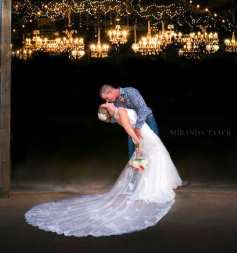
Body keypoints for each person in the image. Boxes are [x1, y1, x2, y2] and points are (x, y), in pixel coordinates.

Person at [24, 102, 183, 237]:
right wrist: (138, 143)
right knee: (157, 157)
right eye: (106, 104)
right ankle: (157, 188)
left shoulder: (116, 115)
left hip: (142, 134)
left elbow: (130, 126)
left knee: (156, 159)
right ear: (109, 110)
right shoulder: (120, 111)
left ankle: (160, 185)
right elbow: (129, 129)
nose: (108, 103)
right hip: (142, 137)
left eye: (106, 102)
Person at [99, 84, 159, 158]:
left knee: (155, 147)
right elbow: (113, 119)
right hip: (132, 127)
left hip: (147, 121)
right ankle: (138, 167)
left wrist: (137, 127)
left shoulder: (130, 92)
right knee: (133, 154)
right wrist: (107, 113)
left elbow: (143, 109)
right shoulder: (113, 104)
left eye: (107, 98)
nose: (107, 101)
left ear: (110, 92)